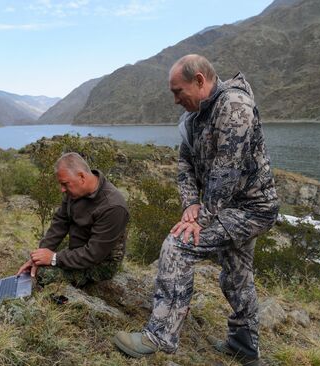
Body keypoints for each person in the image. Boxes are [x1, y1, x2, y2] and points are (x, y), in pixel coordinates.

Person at [113, 55, 279, 366]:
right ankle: (244, 346)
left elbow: (226, 172)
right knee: (237, 275)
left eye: (178, 91)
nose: (176, 100)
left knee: (179, 245)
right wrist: (190, 203)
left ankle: (159, 335)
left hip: (252, 209)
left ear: (200, 80)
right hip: (226, 210)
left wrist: (199, 220)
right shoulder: (195, 116)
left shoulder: (234, 106)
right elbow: (185, 163)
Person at [16, 152, 129, 287]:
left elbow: (93, 254)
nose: (62, 189)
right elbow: (60, 223)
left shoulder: (113, 206)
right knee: (36, 258)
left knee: (44, 274)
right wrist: (38, 257)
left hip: (100, 263)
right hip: (77, 249)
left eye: (65, 184)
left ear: (81, 177)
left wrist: (53, 258)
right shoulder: (75, 192)